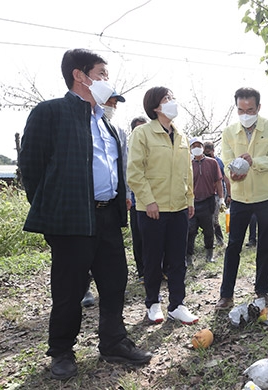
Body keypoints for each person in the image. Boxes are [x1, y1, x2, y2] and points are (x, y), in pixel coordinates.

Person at [19, 48, 152, 380]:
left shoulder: (105, 122)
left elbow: (111, 169)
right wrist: (52, 210)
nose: (107, 80)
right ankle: (62, 350)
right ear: (80, 75)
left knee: (114, 281)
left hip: (107, 217)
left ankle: (113, 342)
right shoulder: (51, 113)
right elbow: (31, 167)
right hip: (71, 219)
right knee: (69, 288)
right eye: (102, 74)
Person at [127, 86, 199, 325]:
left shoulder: (182, 136)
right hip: (152, 209)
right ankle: (153, 303)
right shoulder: (142, 134)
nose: (172, 102)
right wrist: (148, 201)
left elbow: (187, 172)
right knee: (153, 258)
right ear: (156, 106)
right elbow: (135, 172)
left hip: (178, 207)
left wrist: (189, 199)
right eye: (167, 99)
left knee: (178, 259)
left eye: (172, 97)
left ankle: (177, 304)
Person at [215, 87, 268, 310]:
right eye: (241, 109)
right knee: (234, 244)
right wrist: (231, 174)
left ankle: (262, 290)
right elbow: (226, 162)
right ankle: (226, 295)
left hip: (267, 196)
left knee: (265, 244)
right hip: (241, 196)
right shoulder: (229, 132)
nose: (245, 114)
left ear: (259, 108)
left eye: (250, 109)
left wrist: (254, 161)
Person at [81, 90, 131, 307]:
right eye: (109, 102)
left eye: (115, 104)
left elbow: (123, 165)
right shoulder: (79, 125)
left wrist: (126, 194)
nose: (113, 107)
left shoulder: (116, 130)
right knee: (80, 255)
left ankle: (112, 317)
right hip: (81, 206)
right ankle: (83, 289)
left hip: (109, 206)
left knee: (111, 261)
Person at [186, 136, 223, 265]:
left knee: (209, 229)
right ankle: (188, 257)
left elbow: (218, 181)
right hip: (192, 202)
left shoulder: (212, 163)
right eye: (193, 146)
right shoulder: (188, 165)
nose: (196, 148)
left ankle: (209, 254)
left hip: (208, 201)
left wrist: (221, 199)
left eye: (199, 145)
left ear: (203, 147)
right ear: (190, 149)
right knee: (190, 230)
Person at [129, 116, 149, 282]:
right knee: (139, 238)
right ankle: (142, 271)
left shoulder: (153, 147)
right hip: (136, 202)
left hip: (154, 202)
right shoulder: (129, 148)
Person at [203, 140, 231, 246]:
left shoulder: (219, 162)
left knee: (214, 219)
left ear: (213, 151)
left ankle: (220, 240)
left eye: (209, 153)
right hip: (206, 194)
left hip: (218, 194)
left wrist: (227, 195)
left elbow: (225, 179)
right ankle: (210, 241)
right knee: (207, 219)